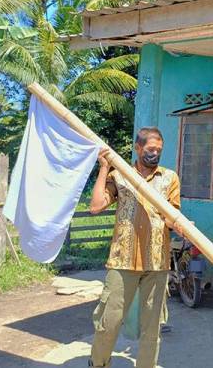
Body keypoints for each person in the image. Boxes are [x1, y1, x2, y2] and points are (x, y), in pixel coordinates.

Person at [88, 127, 183, 368]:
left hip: (157, 262)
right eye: (150, 149)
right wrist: (104, 169)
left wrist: (179, 224)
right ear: (138, 148)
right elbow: (96, 206)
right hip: (123, 260)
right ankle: (98, 364)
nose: (155, 154)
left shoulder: (169, 177)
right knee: (108, 322)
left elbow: (172, 216)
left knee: (152, 329)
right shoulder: (121, 175)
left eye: (159, 150)